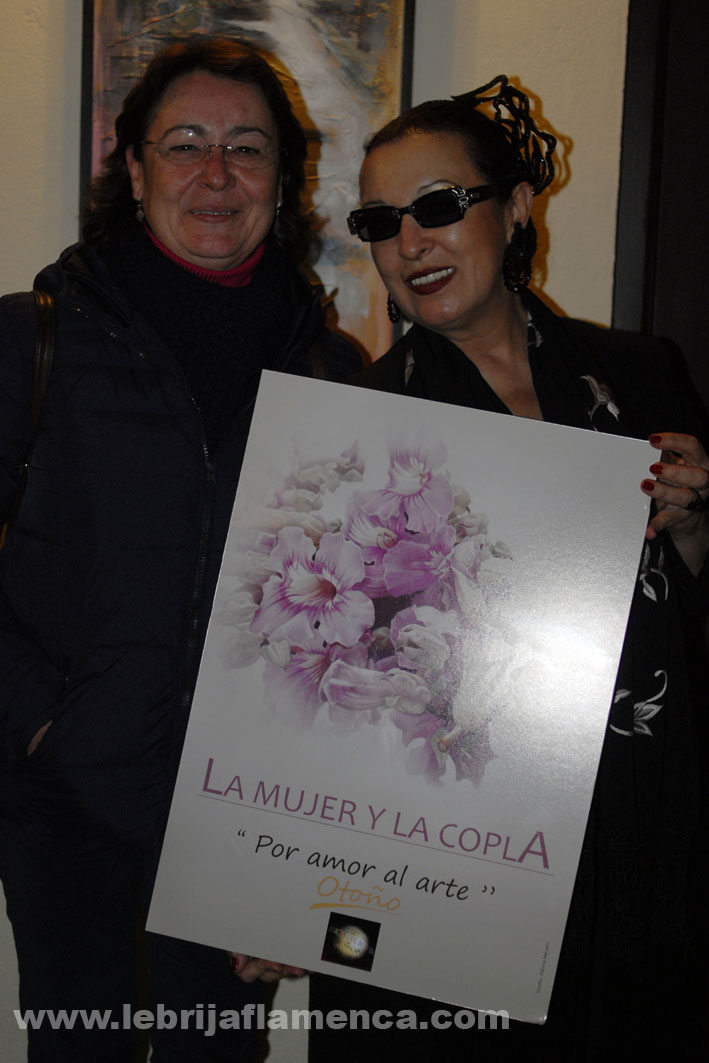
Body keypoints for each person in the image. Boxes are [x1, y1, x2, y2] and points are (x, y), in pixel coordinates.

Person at [308, 76, 709, 1061]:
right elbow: (326, 692)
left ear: (517, 206)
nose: (410, 242)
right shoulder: (355, 436)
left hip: (640, 826)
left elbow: (691, 597)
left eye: (439, 205)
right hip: (459, 856)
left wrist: (693, 519)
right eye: (381, 221)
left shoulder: (641, 373)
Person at [0, 38, 359, 1062]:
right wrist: (36, 722)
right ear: (133, 165)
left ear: (282, 179)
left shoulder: (333, 369)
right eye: (185, 143)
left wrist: (314, 848)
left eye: (247, 148)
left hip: (245, 821)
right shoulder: (30, 340)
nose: (216, 173)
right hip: (69, 809)